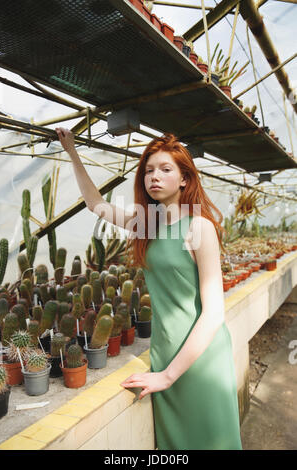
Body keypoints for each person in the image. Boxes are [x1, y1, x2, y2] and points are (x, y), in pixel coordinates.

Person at [55, 128, 243, 450]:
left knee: (212, 442)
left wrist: (167, 376)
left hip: (201, 358)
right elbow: (96, 204)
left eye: (166, 169)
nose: (154, 176)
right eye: (149, 170)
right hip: (164, 351)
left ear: (185, 179)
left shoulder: (199, 227)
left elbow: (213, 314)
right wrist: (71, 151)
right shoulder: (148, 224)